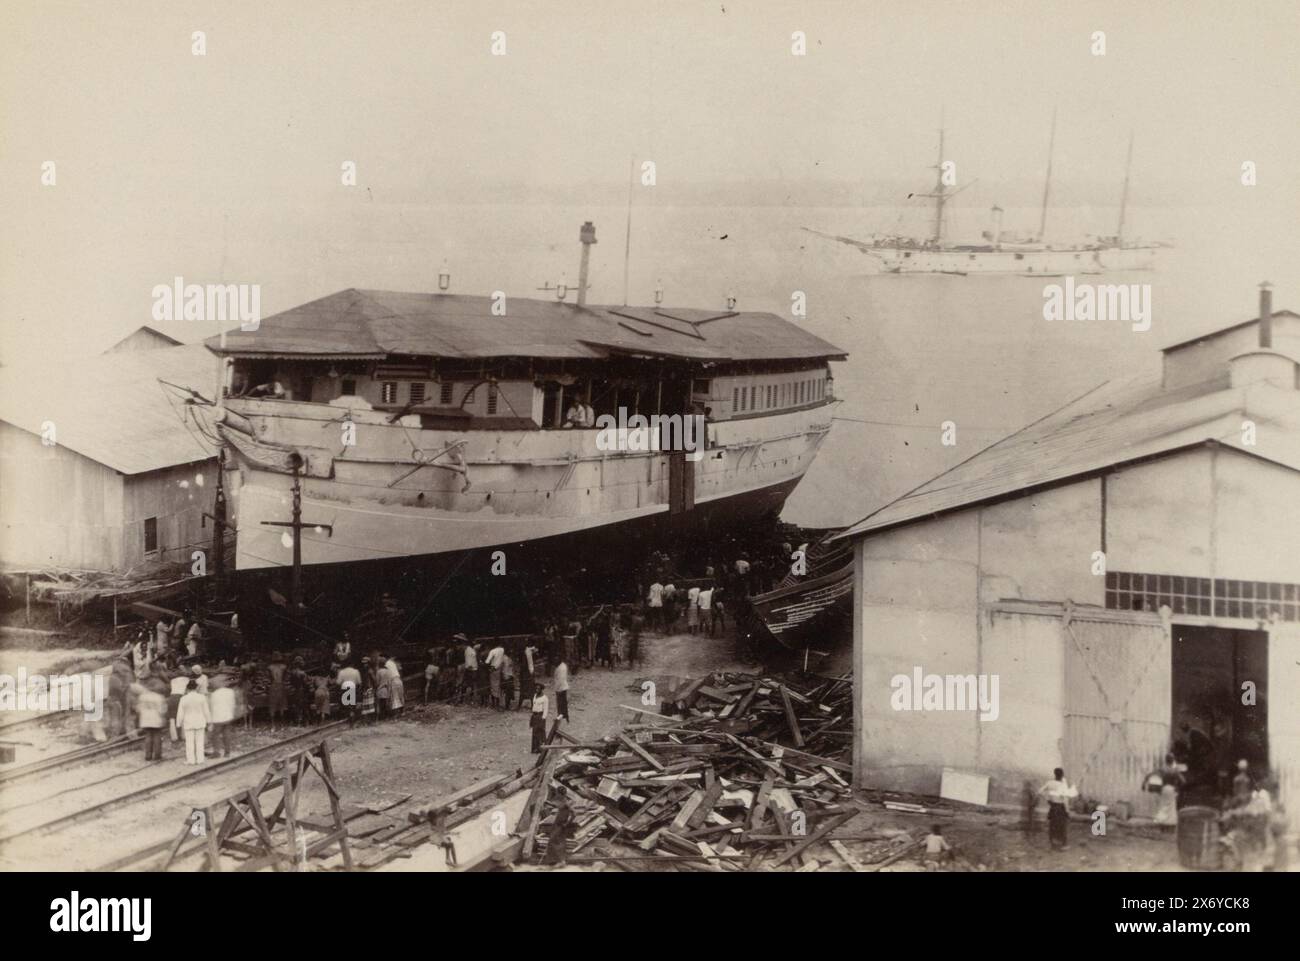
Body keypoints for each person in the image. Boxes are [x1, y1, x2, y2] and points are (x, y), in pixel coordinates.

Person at [1039, 768, 1078, 850]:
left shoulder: (1049, 783)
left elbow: (1040, 791)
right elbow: (1065, 800)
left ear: (1055, 774)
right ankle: (1064, 845)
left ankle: (1052, 844)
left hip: (1053, 807)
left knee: (1052, 825)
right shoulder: (1062, 785)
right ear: (1062, 775)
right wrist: (1067, 811)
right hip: (1061, 808)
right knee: (1062, 826)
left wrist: (1048, 799)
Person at [175, 679, 212, 765]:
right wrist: (209, 721)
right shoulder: (201, 697)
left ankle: (191, 760)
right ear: (196, 688)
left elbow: (180, 712)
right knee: (200, 741)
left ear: (187, 688)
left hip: (188, 722)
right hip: (200, 721)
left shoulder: (183, 699)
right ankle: (200, 759)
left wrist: (178, 724)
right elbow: (206, 711)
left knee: (189, 742)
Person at [135, 681, 166, 762]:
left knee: (148, 736)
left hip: (145, 720)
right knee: (157, 736)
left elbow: (138, 709)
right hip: (156, 719)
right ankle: (157, 755)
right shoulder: (159, 697)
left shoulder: (142, 697)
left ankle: (148, 756)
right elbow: (162, 710)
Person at [544, 794, 575, 866]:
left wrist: (567, 824)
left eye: (557, 803)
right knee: (553, 841)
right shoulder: (561, 808)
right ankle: (554, 861)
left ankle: (561, 861)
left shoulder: (567, 808)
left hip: (560, 827)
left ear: (561, 802)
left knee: (556, 842)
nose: (556, 805)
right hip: (556, 826)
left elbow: (574, 815)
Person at [209, 678, 237, 758]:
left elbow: (212, 707)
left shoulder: (214, 694)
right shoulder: (230, 692)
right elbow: (233, 704)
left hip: (218, 717)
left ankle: (216, 752)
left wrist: (211, 721)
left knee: (215, 735)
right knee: (226, 734)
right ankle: (227, 752)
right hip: (228, 716)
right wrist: (232, 714)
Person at [337, 661, 362, 726]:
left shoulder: (342, 672)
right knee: (352, 704)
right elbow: (359, 682)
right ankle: (352, 717)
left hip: (344, 686)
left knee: (346, 704)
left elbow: (338, 682)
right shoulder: (356, 671)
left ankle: (349, 718)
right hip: (353, 686)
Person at [267, 652, 288, 729]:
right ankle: (282, 725)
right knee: (282, 706)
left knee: (272, 706)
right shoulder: (284, 667)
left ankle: (273, 726)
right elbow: (285, 678)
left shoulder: (270, 667)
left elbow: (269, 679)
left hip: (273, 686)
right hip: (281, 686)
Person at [530, 684, 549, 754]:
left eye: (538, 689)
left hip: (540, 716)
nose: (537, 690)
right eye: (536, 689)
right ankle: (535, 748)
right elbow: (534, 705)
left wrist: (543, 718)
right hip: (535, 716)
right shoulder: (535, 696)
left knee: (540, 732)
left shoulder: (545, 698)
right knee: (534, 732)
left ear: (541, 689)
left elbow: (546, 709)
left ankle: (541, 749)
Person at [553, 656, 570, 723]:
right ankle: (565, 717)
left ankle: (561, 717)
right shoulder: (561, 666)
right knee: (563, 703)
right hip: (562, 687)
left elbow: (561, 680)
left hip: (561, 688)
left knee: (560, 704)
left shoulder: (561, 668)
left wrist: (558, 690)